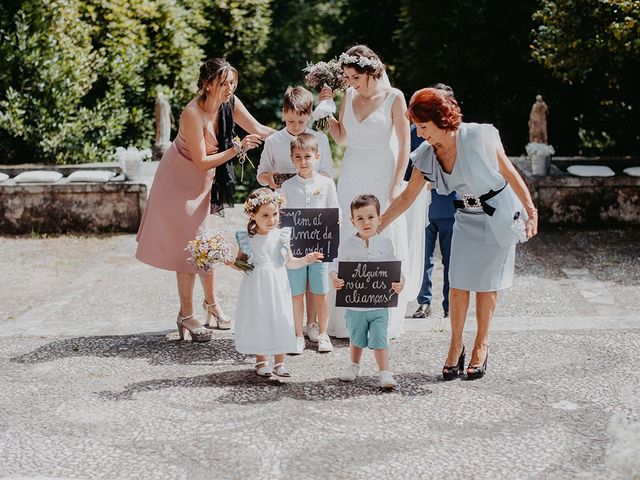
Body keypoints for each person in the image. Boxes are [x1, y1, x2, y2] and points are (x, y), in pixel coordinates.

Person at [379, 87, 538, 381]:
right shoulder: (426, 154)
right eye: (416, 126)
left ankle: (481, 345)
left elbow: (509, 172)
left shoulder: (478, 136)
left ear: (441, 119)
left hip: (498, 214)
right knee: (458, 282)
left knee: (487, 285)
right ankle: (455, 344)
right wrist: (377, 225)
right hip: (465, 216)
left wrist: (531, 210)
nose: (419, 132)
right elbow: (406, 198)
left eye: (423, 126)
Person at [136, 58, 274, 342]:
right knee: (190, 249)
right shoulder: (192, 113)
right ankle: (186, 315)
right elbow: (200, 161)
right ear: (208, 84)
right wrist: (237, 149)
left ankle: (211, 305)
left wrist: (293, 137)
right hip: (178, 183)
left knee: (207, 244)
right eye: (224, 83)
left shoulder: (230, 103)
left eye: (233, 82)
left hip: (204, 183)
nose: (230, 88)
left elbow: (259, 129)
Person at [319, 44, 427, 339]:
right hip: (352, 170)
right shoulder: (349, 95)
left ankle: (382, 313)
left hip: (382, 170)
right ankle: (344, 319)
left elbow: (405, 144)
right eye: (347, 78)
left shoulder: (394, 97)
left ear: (370, 71)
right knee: (350, 234)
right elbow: (341, 138)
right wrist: (328, 109)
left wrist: (396, 183)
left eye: (354, 77)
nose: (351, 83)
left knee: (382, 232)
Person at [256, 86, 334, 343]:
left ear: (309, 115)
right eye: (291, 121)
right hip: (286, 212)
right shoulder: (274, 141)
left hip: (314, 214)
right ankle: (294, 326)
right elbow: (262, 174)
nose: (297, 125)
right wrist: (277, 180)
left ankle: (314, 324)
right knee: (293, 272)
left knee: (316, 274)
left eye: (301, 120)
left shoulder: (318, 139)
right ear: (283, 114)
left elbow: (328, 174)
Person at [232, 188, 323, 377]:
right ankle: (261, 360)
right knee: (260, 319)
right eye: (265, 215)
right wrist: (229, 261)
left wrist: (306, 259)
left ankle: (280, 362)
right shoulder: (246, 238)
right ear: (252, 214)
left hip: (278, 284)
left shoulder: (281, 236)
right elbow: (242, 265)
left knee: (280, 318)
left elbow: (289, 262)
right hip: (256, 286)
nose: (271, 219)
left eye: (275, 214)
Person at [330, 194, 404, 390]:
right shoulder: (347, 245)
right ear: (353, 221)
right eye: (360, 218)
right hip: (355, 306)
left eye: (371, 217)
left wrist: (400, 282)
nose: (366, 222)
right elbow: (335, 267)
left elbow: (395, 269)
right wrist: (335, 279)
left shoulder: (386, 244)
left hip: (379, 305)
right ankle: (354, 365)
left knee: (380, 339)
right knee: (356, 339)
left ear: (379, 219)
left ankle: (384, 372)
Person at [280, 133, 339, 354]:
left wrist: (338, 219)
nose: (303, 162)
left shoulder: (326, 183)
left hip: (320, 248)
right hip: (295, 250)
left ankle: (322, 333)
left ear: (317, 156)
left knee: (320, 292)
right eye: (298, 157)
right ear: (292, 158)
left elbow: (335, 209)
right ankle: (297, 335)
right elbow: (282, 216)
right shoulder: (287, 186)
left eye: (307, 156)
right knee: (296, 293)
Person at [410, 122, 457, 319]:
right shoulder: (415, 131)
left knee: (451, 259)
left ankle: (451, 304)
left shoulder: (455, 133)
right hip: (421, 204)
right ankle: (424, 302)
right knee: (422, 256)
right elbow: (407, 162)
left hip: (450, 205)